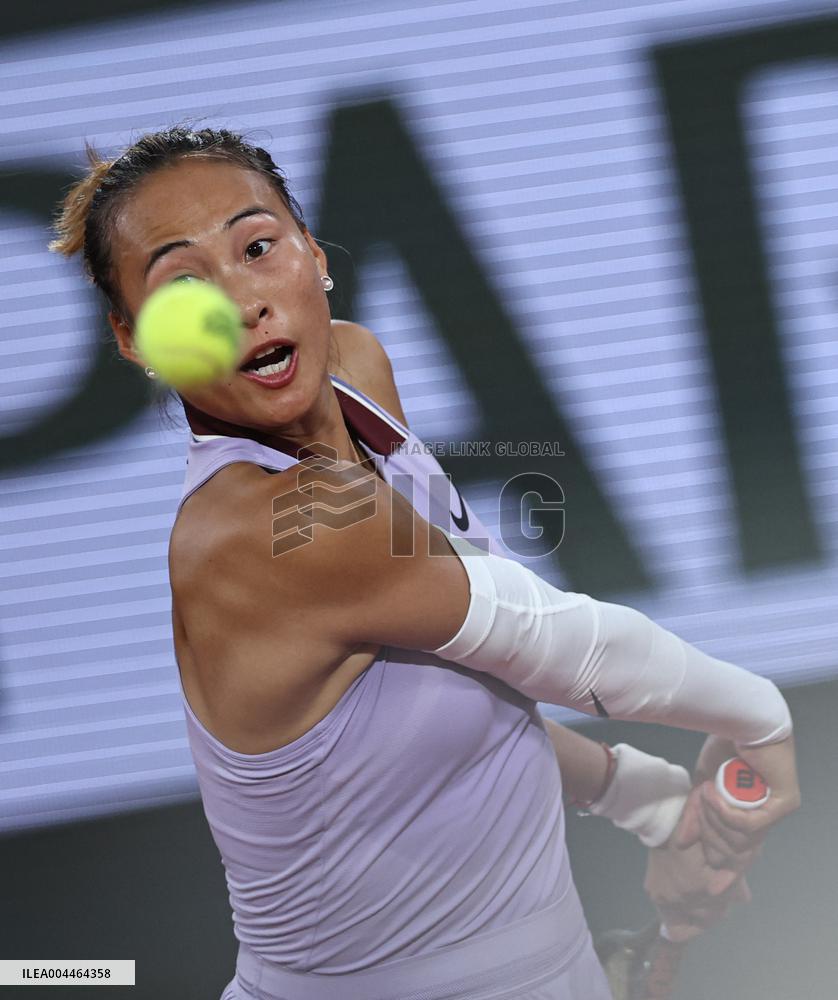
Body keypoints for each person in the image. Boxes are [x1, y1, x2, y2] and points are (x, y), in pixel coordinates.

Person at [48, 125, 800, 1000]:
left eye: (256, 248)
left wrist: (648, 801)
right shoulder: (266, 529)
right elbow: (572, 647)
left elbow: (450, 706)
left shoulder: (357, 370)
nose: (242, 302)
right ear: (134, 339)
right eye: (183, 286)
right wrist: (761, 718)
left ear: (313, 252)